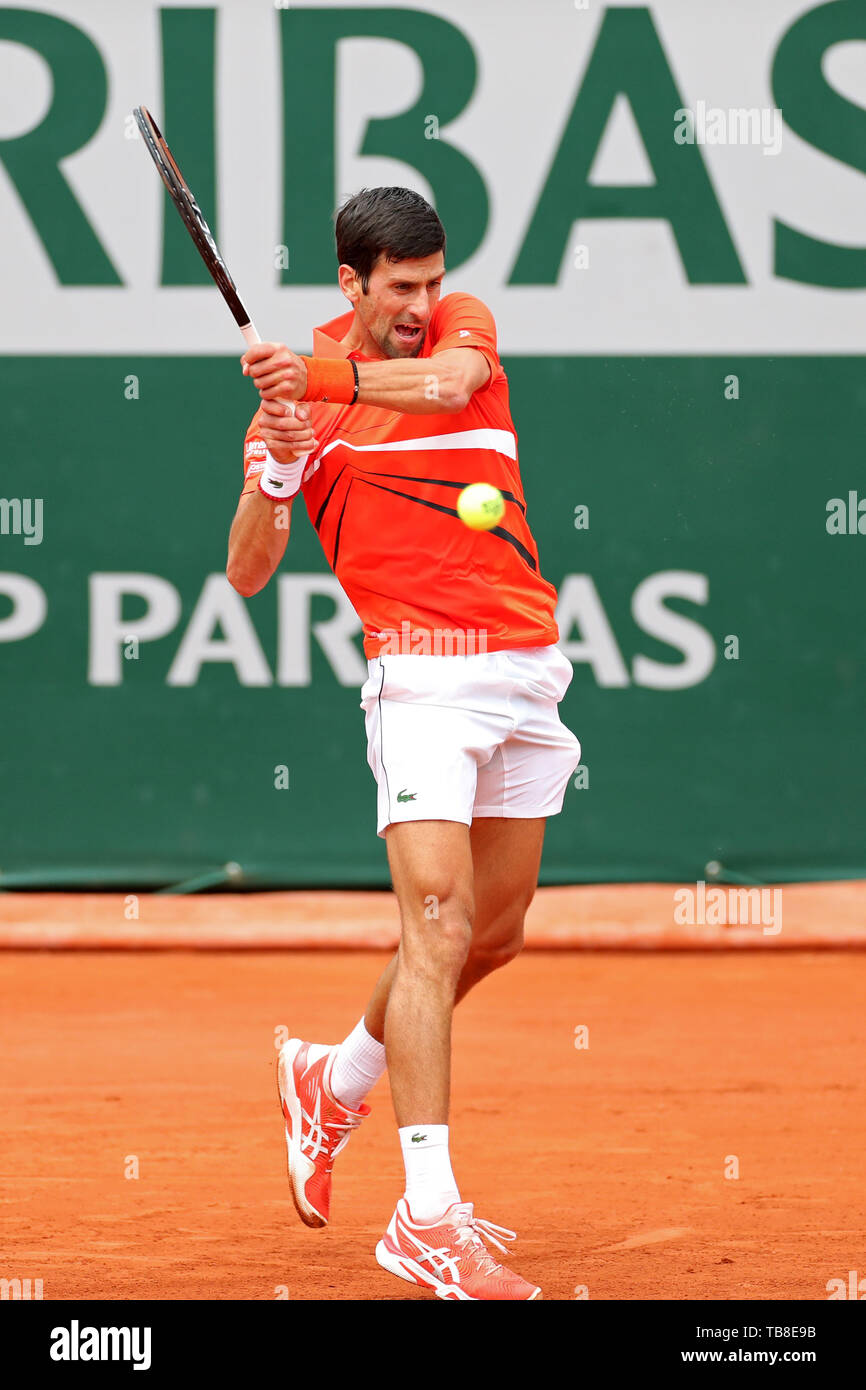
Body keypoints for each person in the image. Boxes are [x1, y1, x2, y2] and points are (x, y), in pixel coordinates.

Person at [227, 186, 580, 1301]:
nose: (423, 304)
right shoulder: (295, 413)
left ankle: (332, 1077)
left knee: (496, 931)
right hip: (420, 675)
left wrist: (319, 377)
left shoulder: (459, 331)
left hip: (524, 661)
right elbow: (245, 570)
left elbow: (452, 383)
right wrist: (279, 475)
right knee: (435, 923)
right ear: (349, 283)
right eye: (399, 288)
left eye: (432, 282)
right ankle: (426, 1217)